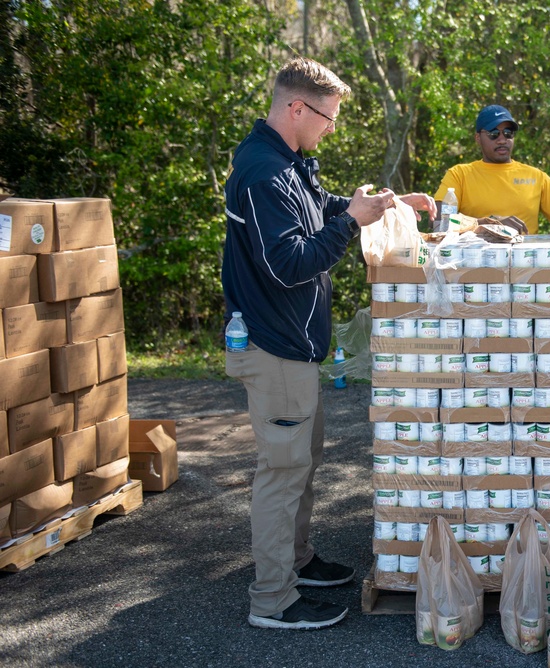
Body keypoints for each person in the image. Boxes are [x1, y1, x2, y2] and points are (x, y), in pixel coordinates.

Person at [222, 57, 435, 630]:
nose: (331, 127)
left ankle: (297, 561)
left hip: (293, 346)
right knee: (282, 471)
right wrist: (350, 224)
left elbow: (318, 208)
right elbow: (287, 264)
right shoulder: (263, 173)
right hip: (273, 346)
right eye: (328, 117)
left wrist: (383, 206)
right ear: (296, 108)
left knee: (302, 461)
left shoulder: (289, 163)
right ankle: (273, 600)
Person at [434, 104, 550, 235]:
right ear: (478, 138)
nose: (502, 139)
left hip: (524, 261)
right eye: (494, 134)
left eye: (508, 133)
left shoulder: (536, 176)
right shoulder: (459, 174)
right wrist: (492, 224)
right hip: (475, 261)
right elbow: (438, 222)